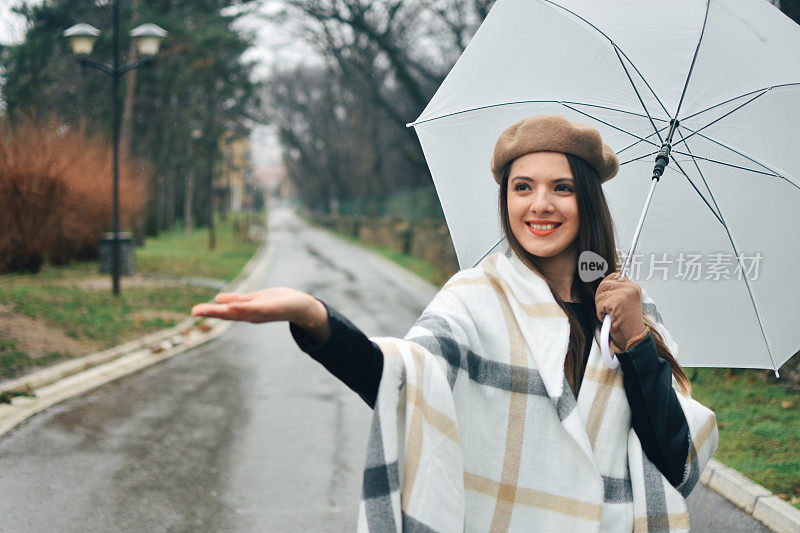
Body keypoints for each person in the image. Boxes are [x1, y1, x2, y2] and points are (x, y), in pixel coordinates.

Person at [192, 115, 718, 532]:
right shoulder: (476, 297)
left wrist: (637, 343)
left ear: (587, 199)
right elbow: (403, 377)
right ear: (505, 198)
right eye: (522, 188)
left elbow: (675, 461)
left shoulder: (631, 314)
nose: (540, 205)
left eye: (561, 188)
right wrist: (316, 319)